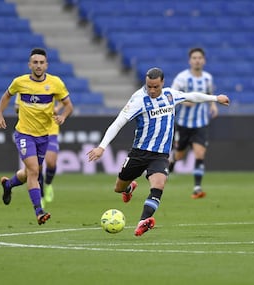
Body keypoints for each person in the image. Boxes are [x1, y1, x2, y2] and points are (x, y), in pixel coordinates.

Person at [87, 67, 229, 236]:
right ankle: (128, 189)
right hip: (139, 153)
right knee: (118, 188)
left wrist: (215, 98)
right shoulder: (138, 100)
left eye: (156, 86)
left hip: (160, 155)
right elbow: (118, 122)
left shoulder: (170, 95)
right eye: (149, 86)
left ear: (162, 83)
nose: (152, 90)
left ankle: (143, 221)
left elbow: (191, 96)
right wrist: (102, 146)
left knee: (159, 185)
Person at [0, 47, 73, 225]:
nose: (38, 66)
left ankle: (9, 185)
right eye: (35, 62)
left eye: (41, 63)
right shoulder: (20, 82)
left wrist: (63, 115)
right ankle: (39, 211)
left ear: (46, 65)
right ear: (30, 65)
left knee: (29, 172)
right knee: (35, 172)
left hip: (43, 136)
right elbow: (6, 96)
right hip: (24, 133)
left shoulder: (55, 83)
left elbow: (69, 105)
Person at [168, 47, 218, 199]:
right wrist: (183, 102)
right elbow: (170, 95)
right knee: (179, 154)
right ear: (190, 61)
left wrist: (213, 105)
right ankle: (167, 169)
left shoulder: (208, 78)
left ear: (204, 60)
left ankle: (197, 188)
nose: (197, 60)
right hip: (183, 124)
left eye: (199, 58)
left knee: (200, 153)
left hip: (200, 123)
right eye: (194, 58)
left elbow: (209, 94)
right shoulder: (182, 78)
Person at [14, 96, 62, 206]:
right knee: (36, 168)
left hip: (50, 130)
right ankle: (40, 196)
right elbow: (16, 107)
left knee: (51, 162)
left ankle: (48, 184)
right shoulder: (24, 85)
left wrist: (58, 108)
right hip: (32, 132)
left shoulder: (51, 83)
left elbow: (65, 100)